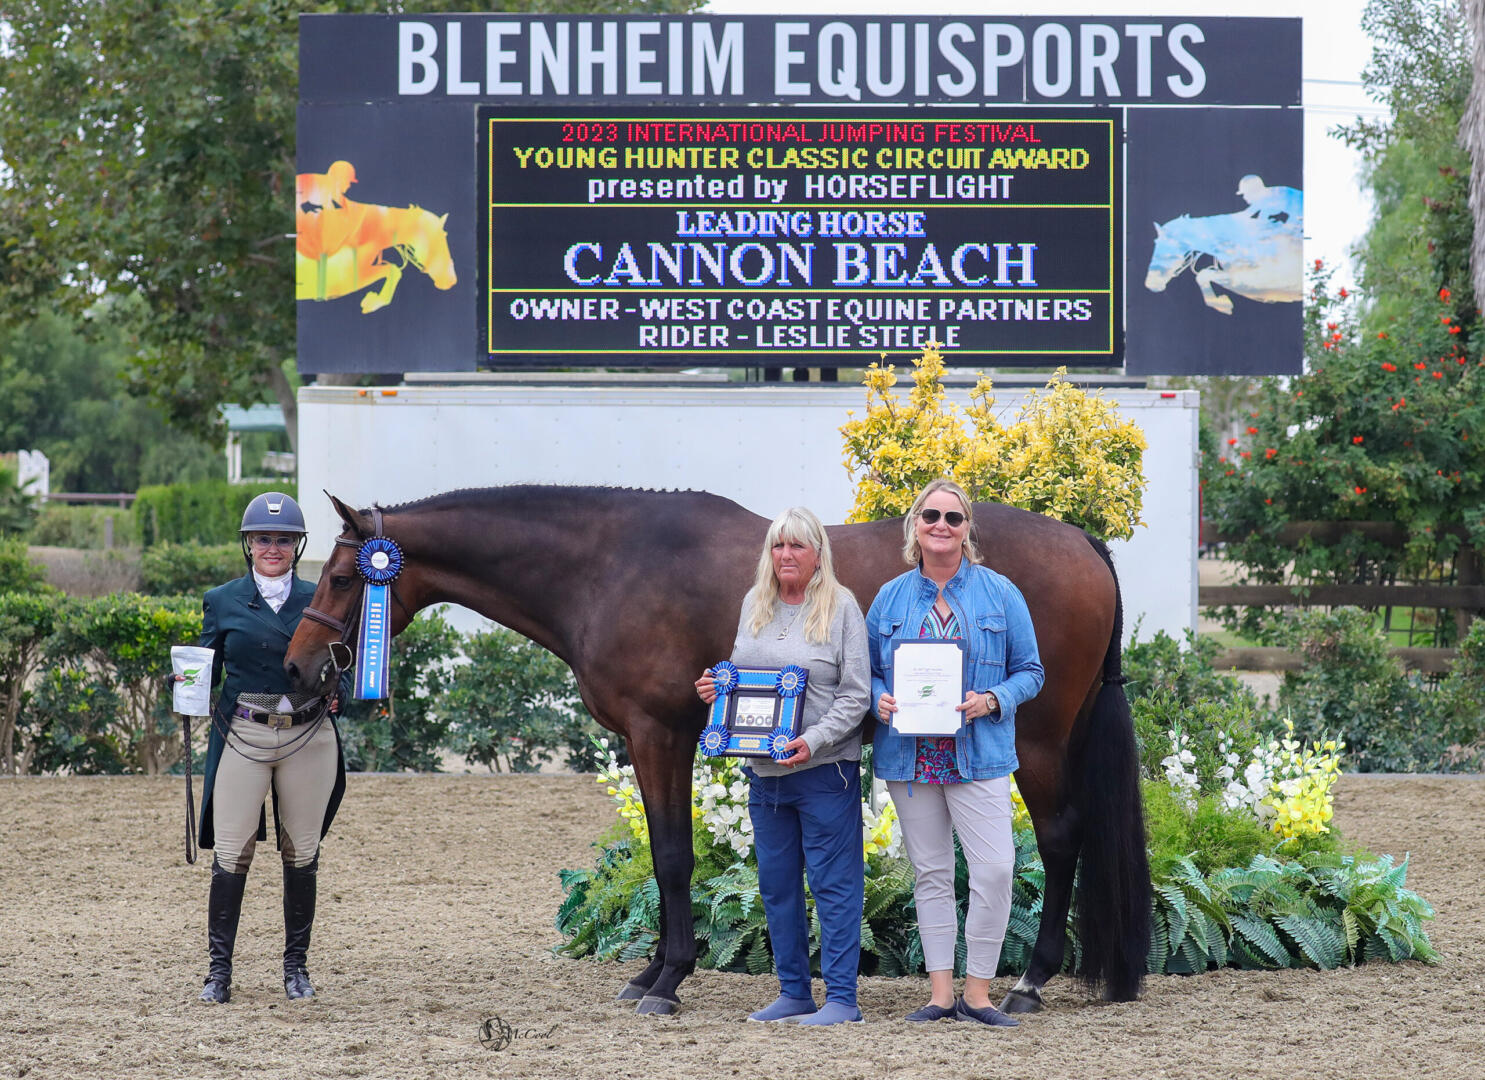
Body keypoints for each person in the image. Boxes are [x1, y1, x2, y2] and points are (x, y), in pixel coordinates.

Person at [867, 478, 1044, 1027]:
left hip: (979, 755)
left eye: (953, 518)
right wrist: (881, 700)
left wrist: (992, 698)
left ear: (967, 529)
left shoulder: (1000, 593)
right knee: (931, 874)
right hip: (911, 760)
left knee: (994, 870)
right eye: (930, 517)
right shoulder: (889, 597)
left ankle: (979, 994)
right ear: (914, 527)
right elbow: (868, 672)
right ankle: (941, 995)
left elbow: (1032, 672)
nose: (941, 526)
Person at [694, 507, 871, 1026]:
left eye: (796, 546)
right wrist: (715, 692)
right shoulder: (756, 603)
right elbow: (742, 683)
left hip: (824, 774)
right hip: (764, 776)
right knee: (776, 886)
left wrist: (812, 741)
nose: (786, 555)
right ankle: (794, 992)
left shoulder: (841, 608)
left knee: (834, 886)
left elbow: (856, 695)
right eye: (778, 546)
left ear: (818, 554)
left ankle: (842, 1000)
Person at [185, 492, 352, 1004]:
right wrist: (186, 683)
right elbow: (207, 662)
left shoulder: (319, 596)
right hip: (247, 731)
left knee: (302, 852)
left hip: (307, 732)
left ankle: (296, 969)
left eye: (283, 539)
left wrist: (339, 690)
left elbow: (340, 658)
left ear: (297, 546)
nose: (273, 547)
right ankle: (219, 972)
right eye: (264, 539)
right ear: (249, 545)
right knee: (233, 853)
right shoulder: (223, 599)